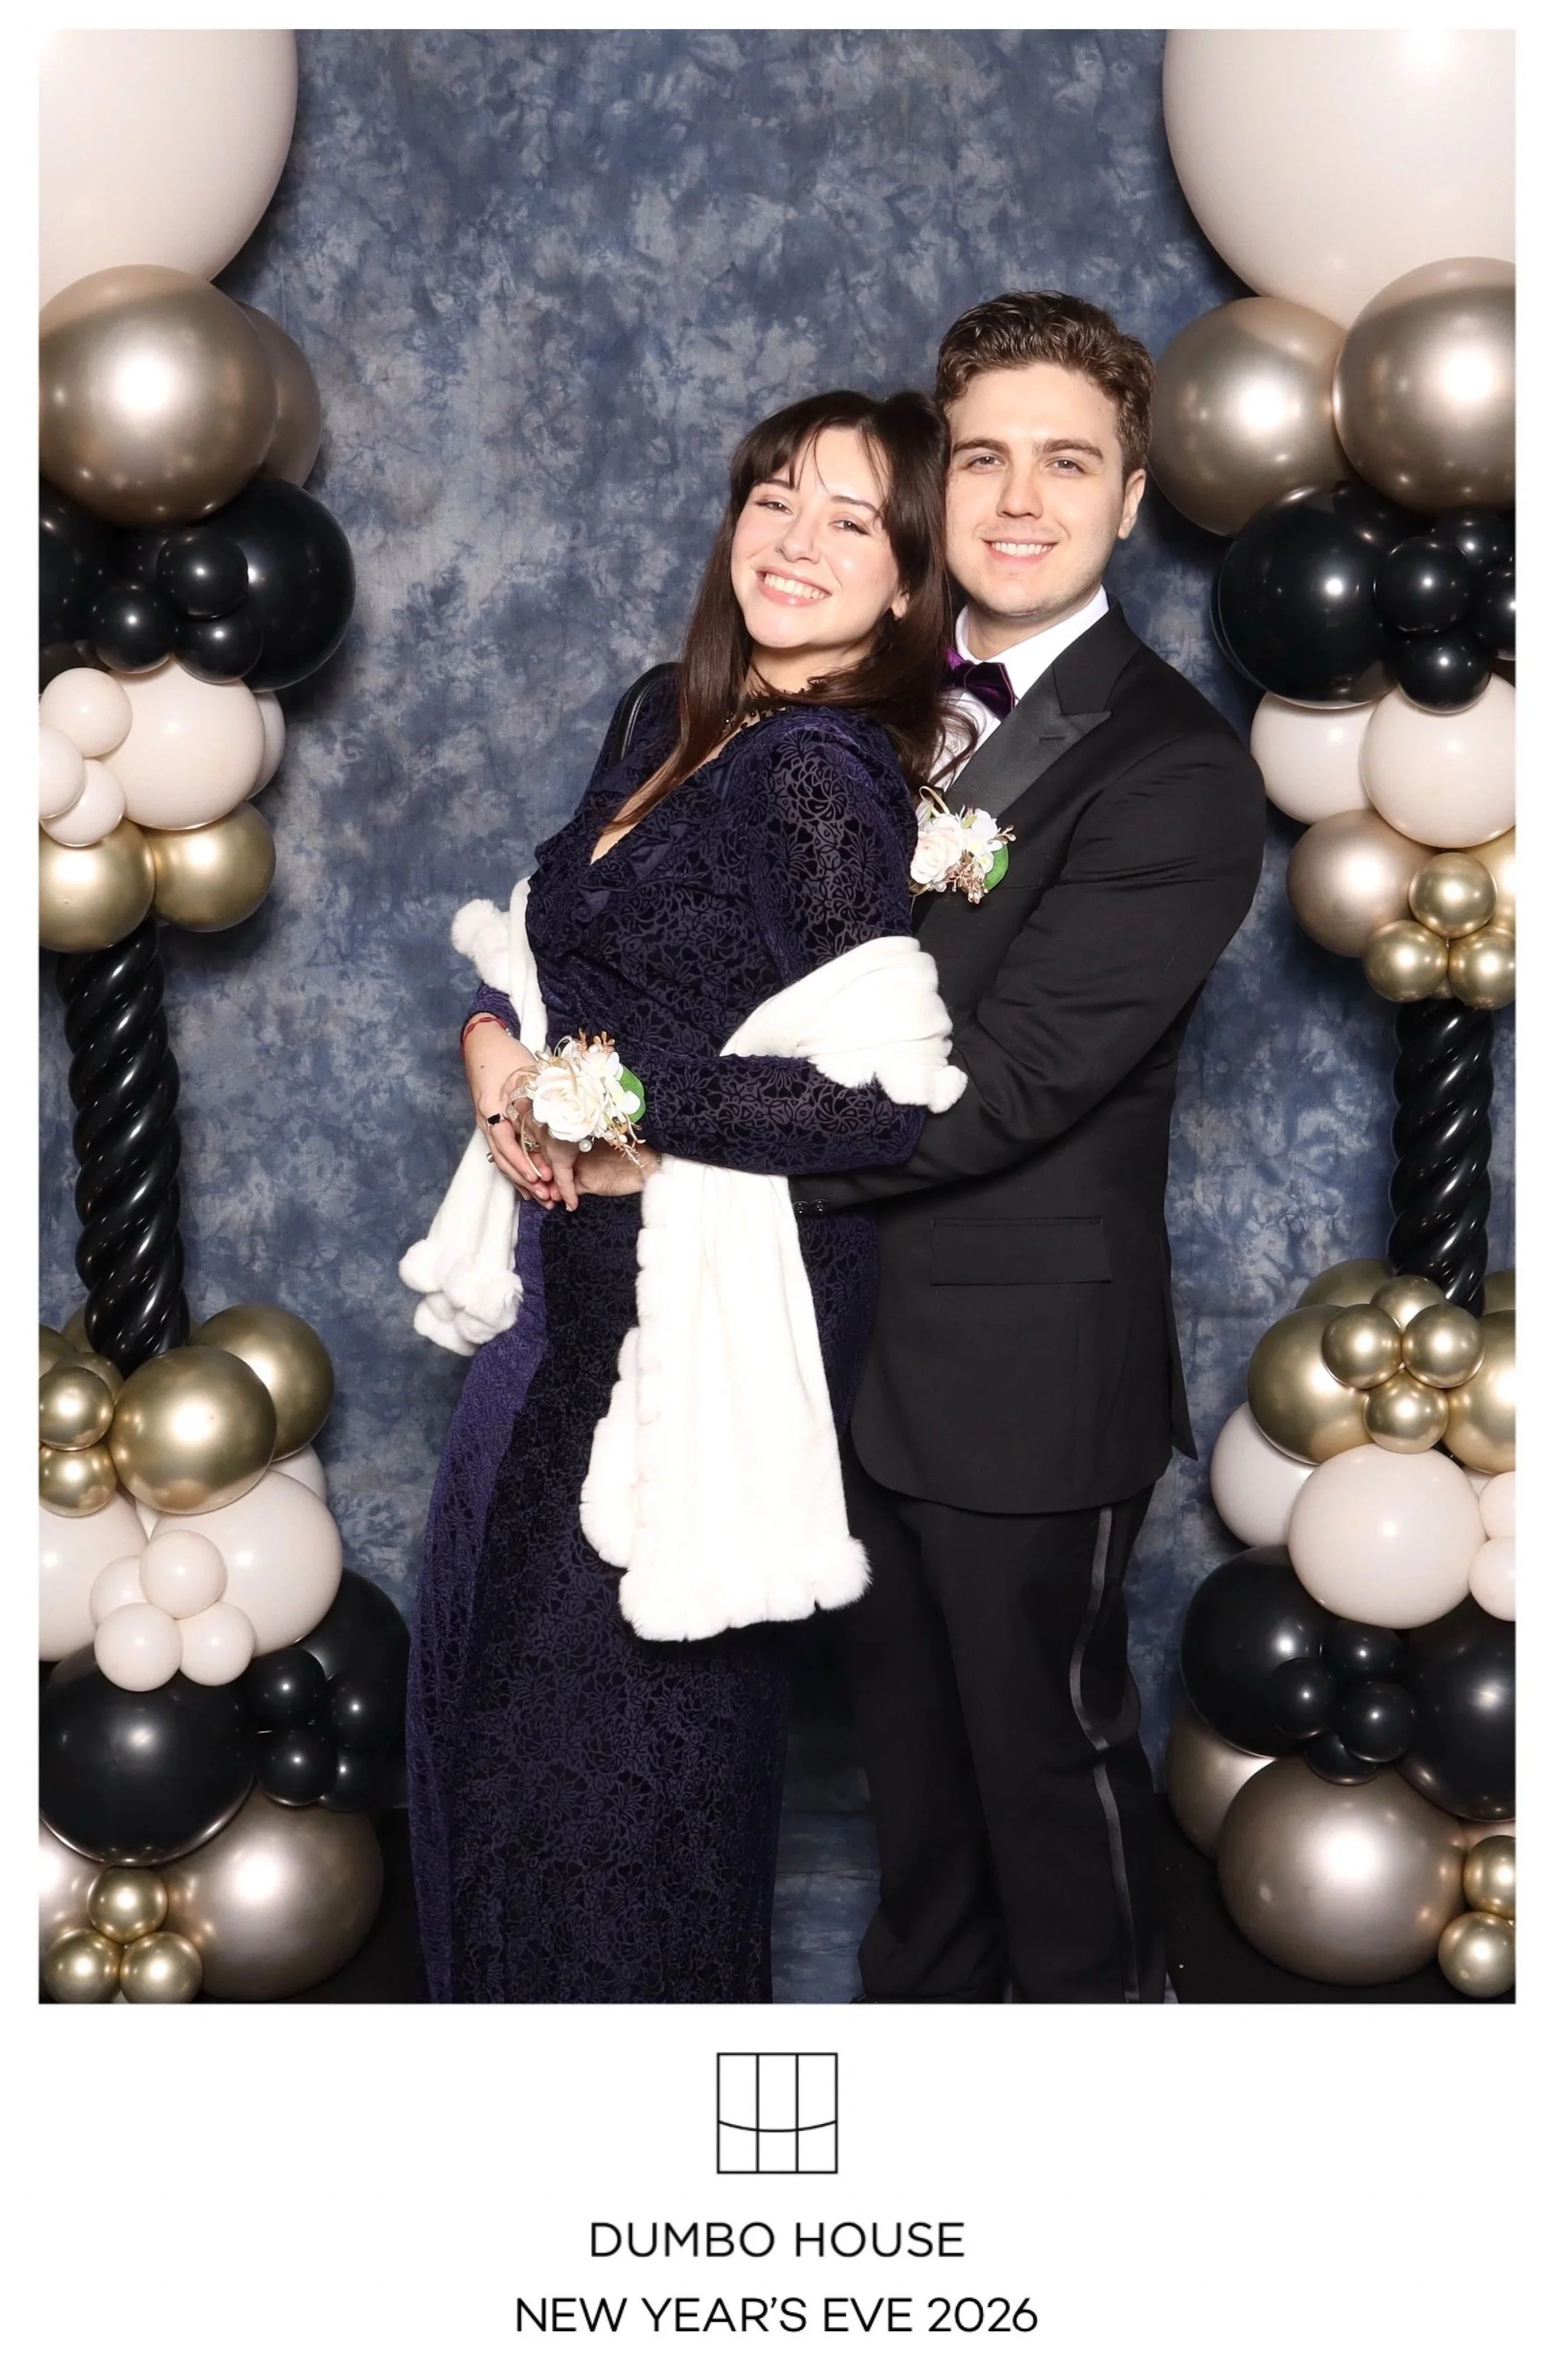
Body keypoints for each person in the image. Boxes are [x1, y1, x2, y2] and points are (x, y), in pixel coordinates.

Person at [407, 387, 965, 2003]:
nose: (795, 542)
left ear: (907, 585)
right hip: (562, 1292)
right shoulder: (666, 711)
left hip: (688, 1324)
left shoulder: (822, 777)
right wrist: (495, 1053)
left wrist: (620, 1098)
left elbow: (874, 1100)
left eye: (852, 522)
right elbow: (540, 947)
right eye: (774, 500)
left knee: (617, 1783)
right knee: (496, 1735)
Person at [793, 292, 1267, 2004]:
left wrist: (700, 1148)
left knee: (1045, 1779)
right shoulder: (846, 704)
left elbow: (1011, 1085)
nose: (1014, 499)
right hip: (832, 1340)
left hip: (1024, 1376)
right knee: (914, 1793)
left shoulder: (1175, 769)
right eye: (982, 456)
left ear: (1130, 500)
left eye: (1066, 462)